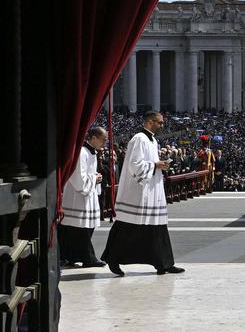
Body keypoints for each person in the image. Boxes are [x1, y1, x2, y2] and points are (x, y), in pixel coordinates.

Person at [101, 111, 184, 276]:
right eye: (159, 122)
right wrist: (156, 165)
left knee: (158, 227)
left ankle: (164, 263)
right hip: (138, 192)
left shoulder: (152, 140)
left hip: (152, 190)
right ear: (150, 122)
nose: (162, 125)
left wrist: (160, 165)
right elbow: (135, 165)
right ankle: (113, 258)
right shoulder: (139, 138)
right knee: (127, 226)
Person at [59, 126, 107, 267]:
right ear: (93, 138)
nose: (104, 143)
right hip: (77, 198)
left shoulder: (92, 152)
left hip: (87, 196)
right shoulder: (81, 152)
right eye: (103, 140)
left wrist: (94, 178)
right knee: (81, 230)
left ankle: (73, 257)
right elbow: (78, 178)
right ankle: (88, 258)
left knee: (82, 229)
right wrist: (95, 178)